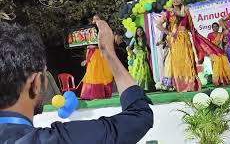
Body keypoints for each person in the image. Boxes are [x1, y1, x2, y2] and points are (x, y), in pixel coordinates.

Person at [0, 20, 153, 144]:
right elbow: (139, 116)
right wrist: (109, 54)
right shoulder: (62, 139)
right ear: (35, 84)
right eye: (44, 75)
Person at [157, 0, 227, 92]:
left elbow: (185, 19)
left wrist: (198, 38)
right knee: (176, 62)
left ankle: (189, 84)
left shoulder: (185, 10)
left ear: (182, 0)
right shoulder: (167, 13)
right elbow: (158, 25)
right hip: (174, 40)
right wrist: (168, 33)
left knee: (187, 61)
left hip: (185, 40)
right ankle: (176, 84)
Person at [80, 14, 114, 100]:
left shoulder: (105, 30)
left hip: (100, 53)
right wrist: (85, 59)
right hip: (92, 53)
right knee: (92, 72)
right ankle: (92, 94)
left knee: (103, 73)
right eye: (94, 20)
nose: (95, 21)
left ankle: (102, 93)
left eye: (97, 19)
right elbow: (86, 43)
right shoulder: (89, 30)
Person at [128, 27, 154, 91]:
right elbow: (128, 48)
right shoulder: (134, 39)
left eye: (141, 31)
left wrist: (147, 55)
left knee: (145, 71)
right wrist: (132, 54)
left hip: (143, 57)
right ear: (136, 32)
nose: (139, 32)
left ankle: (145, 87)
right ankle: (137, 86)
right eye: (138, 31)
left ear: (143, 32)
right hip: (137, 58)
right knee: (137, 71)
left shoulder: (145, 39)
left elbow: (147, 49)